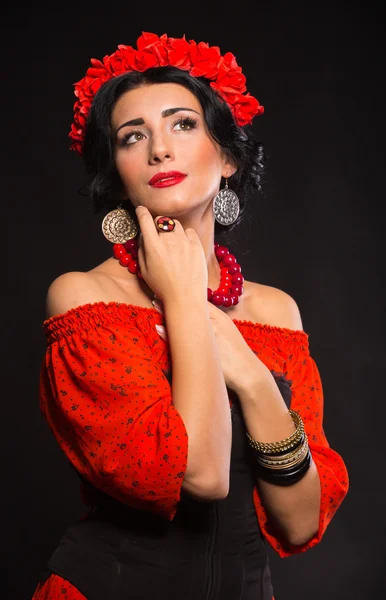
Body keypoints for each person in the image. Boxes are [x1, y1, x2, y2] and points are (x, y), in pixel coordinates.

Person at [32, 31, 349, 600]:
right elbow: (200, 475)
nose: (159, 149)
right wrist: (182, 300)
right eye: (134, 136)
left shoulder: (275, 311)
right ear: (119, 171)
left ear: (226, 157)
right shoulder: (84, 299)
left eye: (183, 124)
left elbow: (300, 521)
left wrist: (252, 378)